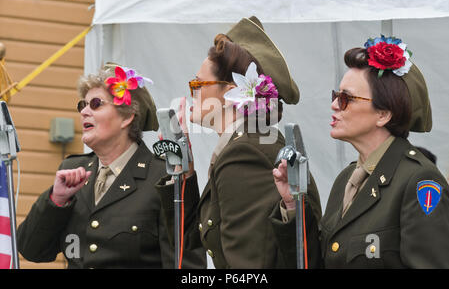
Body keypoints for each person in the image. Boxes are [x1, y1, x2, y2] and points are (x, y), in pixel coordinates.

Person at [155, 16, 322, 268]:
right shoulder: (244, 144)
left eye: (199, 83)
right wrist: (184, 174)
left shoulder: (246, 152)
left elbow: (248, 267)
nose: (193, 91)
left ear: (233, 92)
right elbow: (196, 241)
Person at [272, 35, 449, 268]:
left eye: (346, 99)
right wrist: (293, 204)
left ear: (383, 114)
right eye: (336, 96)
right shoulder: (346, 179)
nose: (334, 105)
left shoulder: (419, 182)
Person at [17, 63, 206, 269]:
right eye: (83, 105)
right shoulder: (73, 169)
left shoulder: (163, 177)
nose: (84, 112)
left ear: (126, 117)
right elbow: (31, 249)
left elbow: (185, 264)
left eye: (96, 104)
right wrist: (57, 199)